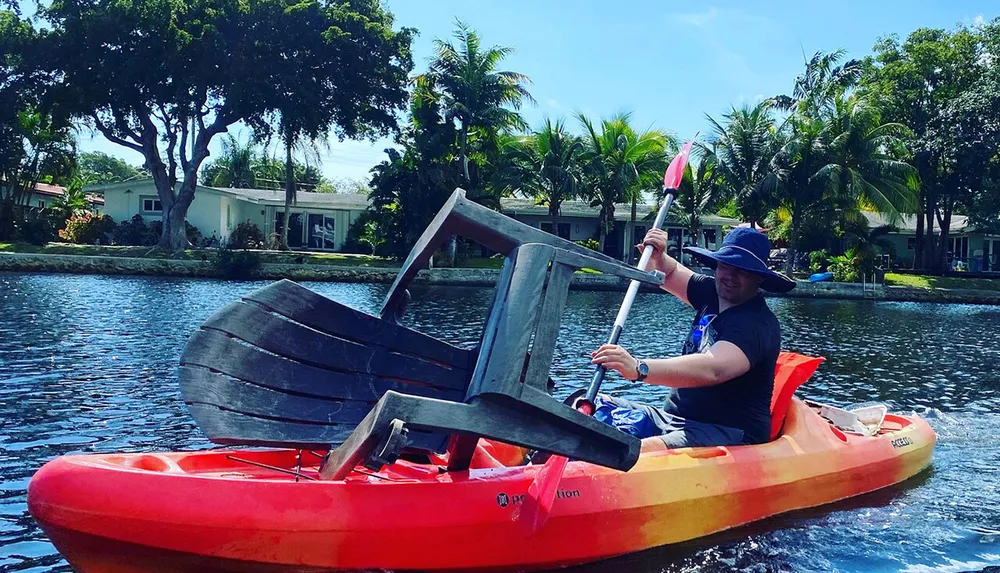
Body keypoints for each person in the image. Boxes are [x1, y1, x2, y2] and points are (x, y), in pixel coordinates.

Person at [588, 227, 796, 448]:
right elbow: (668, 272)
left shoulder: (757, 323)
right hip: (673, 420)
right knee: (587, 405)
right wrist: (659, 255)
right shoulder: (710, 292)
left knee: (633, 450)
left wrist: (639, 368)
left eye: (742, 271)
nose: (730, 277)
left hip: (729, 432)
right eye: (726, 266)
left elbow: (715, 368)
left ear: (758, 278)